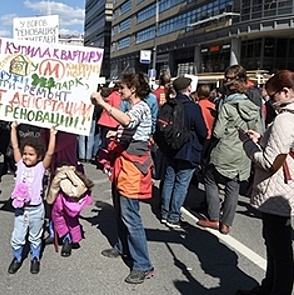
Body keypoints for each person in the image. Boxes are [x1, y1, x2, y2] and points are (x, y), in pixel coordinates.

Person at [91, 72, 155, 285]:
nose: (119, 91)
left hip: (133, 168)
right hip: (124, 164)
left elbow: (128, 121)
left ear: (133, 89)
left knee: (131, 215)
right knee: (120, 209)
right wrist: (117, 135)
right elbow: (131, 129)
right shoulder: (133, 106)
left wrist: (103, 104)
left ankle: (143, 265)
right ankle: (123, 247)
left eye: (123, 87)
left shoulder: (141, 107)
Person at [236, 70, 294, 295]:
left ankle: (275, 289)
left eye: (272, 96)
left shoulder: (284, 119)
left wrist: (248, 145)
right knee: (276, 243)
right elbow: (282, 149)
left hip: (276, 186)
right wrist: (261, 139)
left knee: (278, 248)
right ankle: (269, 287)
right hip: (285, 184)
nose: (270, 101)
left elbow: (270, 162)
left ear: (286, 91)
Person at [197, 79, 262, 235]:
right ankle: (226, 223)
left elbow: (218, 132)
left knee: (210, 179)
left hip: (225, 149)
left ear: (229, 92)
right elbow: (258, 131)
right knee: (234, 186)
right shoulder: (254, 108)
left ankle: (213, 217)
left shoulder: (227, 107)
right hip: (244, 151)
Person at [8, 122, 56, 275]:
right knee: (18, 236)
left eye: (31, 154)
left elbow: (50, 153)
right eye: (25, 154)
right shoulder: (20, 165)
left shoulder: (41, 168)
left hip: (36, 209)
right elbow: (15, 146)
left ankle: (35, 258)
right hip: (21, 210)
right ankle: (17, 258)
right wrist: (13, 128)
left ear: (38, 156)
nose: (27, 157)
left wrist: (52, 134)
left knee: (35, 236)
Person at [160, 76, 207, 229]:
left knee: (169, 179)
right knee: (181, 183)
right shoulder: (192, 107)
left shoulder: (169, 104)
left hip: (170, 148)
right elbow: (202, 131)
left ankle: (164, 212)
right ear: (188, 88)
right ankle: (174, 216)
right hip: (188, 148)